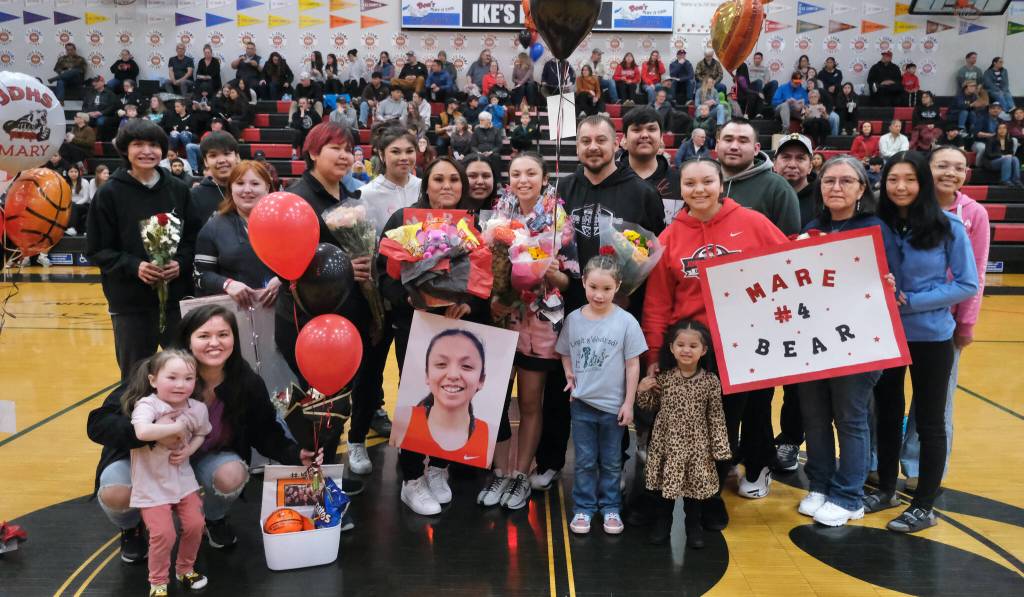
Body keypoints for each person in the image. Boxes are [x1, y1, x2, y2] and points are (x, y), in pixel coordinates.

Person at [87, 305, 324, 564]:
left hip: (204, 455)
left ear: (234, 338)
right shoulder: (157, 372)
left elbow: (264, 431)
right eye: (204, 336)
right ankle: (131, 527)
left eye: (223, 334)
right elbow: (98, 423)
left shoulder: (245, 382)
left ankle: (214, 517)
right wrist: (152, 434)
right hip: (145, 459)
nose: (215, 343)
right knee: (115, 492)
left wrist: (294, 453)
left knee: (232, 474)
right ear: (188, 339)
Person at [642, 158, 788, 524]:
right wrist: (654, 353)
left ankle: (709, 497)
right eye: (690, 184)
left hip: (741, 349)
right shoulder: (670, 237)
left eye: (707, 181)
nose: (699, 190)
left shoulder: (753, 223)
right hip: (688, 353)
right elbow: (658, 302)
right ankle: (679, 502)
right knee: (687, 429)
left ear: (721, 183)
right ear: (681, 189)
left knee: (724, 429)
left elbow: (790, 265)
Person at [867, 151, 978, 534]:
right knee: (885, 412)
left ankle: (924, 504)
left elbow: (966, 284)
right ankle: (884, 490)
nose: (900, 187)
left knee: (930, 421)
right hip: (884, 335)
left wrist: (911, 302)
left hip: (931, 336)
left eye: (910, 180)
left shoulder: (948, 226)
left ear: (923, 184)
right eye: (893, 179)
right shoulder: (874, 225)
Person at [273, 123, 378, 512]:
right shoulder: (298, 200)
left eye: (350, 149)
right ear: (313, 152)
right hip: (307, 325)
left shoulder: (351, 195)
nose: (345, 155)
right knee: (313, 410)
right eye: (335, 147)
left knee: (336, 407)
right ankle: (314, 496)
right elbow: (294, 269)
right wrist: (349, 267)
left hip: (344, 323)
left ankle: (327, 477)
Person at [378, 159, 483, 514]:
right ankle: (411, 478)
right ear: (427, 184)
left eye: (454, 179)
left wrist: (466, 304)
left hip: (457, 326)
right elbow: (385, 275)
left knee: (453, 395)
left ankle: (439, 468)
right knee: (417, 396)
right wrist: (408, 298)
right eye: (438, 178)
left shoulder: (472, 224)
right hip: (415, 324)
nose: (447, 185)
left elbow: (482, 276)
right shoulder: (404, 220)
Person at [793, 156, 891, 527]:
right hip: (811, 341)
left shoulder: (875, 228)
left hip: (859, 341)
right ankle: (819, 484)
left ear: (862, 189)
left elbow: (889, 281)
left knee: (850, 419)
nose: (836, 187)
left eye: (846, 181)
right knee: (815, 418)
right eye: (829, 180)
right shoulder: (812, 227)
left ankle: (849, 496)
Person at [482, 153, 578, 512]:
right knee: (495, 398)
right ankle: (500, 470)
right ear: (509, 179)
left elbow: (569, 280)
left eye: (531, 173)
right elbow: (485, 267)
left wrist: (547, 270)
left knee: (531, 401)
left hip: (540, 321)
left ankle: (521, 474)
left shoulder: (558, 219)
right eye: (517, 174)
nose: (524, 179)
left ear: (543, 178)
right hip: (504, 318)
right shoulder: (499, 217)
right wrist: (495, 297)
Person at [899, 147, 990, 491]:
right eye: (942, 166)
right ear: (927, 168)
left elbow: (975, 275)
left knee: (934, 403)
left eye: (959, 167)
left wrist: (967, 324)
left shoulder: (973, 215)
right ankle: (878, 462)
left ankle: (921, 469)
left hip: (942, 325)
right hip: (896, 320)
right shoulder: (901, 207)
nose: (950, 173)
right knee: (883, 398)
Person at [86, 120, 197, 381]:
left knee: (186, 373)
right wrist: (134, 266)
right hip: (130, 306)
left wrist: (180, 262)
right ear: (125, 150)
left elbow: (194, 238)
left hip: (175, 302)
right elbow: (96, 250)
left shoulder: (178, 189)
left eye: (154, 145)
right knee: (136, 379)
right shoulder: (109, 193)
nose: (147, 151)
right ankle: (138, 423)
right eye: (138, 145)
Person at [558, 256, 646, 536]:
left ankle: (610, 508)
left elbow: (634, 365)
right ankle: (583, 508)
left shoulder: (627, 322)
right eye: (593, 286)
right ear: (583, 282)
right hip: (582, 404)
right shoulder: (573, 319)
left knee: (611, 461)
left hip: (613, 407)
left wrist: (628, 403)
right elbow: (563, 351)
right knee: (583, 460)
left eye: (607, 289)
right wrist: (569, 374)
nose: (599, 294)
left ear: (617, 287)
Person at [122, 350, 211, 597]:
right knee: (163, 534)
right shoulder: (147, 404)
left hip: (183, 481)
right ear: (153, 380)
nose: (181, 385)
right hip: (151, 485)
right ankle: (158, 582)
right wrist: (176, 427)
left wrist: (188, 451)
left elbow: (202, 432)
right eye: (172, 377)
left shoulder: (198, 408)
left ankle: (185, 569)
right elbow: (141, 432)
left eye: (188, 378)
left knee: (195, 524)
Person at [636, 319, 729, 547]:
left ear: (704, 350)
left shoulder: (710, 382)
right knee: (664, 489)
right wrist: (642, 390)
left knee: (693, 490)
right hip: (666, 443)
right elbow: (649, 406)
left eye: (693, 346)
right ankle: (662, 524)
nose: (686, 350)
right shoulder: (664, 378)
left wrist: (720, 448)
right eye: (681, 344)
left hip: (697, 446)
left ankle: (693, 528)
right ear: (671, 347)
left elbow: (715, 416)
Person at [194, 160, 282, 308]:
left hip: (283, 312)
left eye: (255, 184)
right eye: (240, 184)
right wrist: (227, 284)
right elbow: (200, 275)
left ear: (267, 188)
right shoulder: (213, 227)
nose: (247, 190)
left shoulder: (284, 222)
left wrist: (283, 280)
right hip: (235, 314)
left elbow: (304, 264)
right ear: (231, 189)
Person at [718, 118, 801, 234]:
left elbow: (789, 243)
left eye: (743, 141)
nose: (734, 146)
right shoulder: (700, 182)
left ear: (756, 149)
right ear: (717, 145)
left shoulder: (778, 188)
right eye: (728, 140)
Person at [617, 106, 682, 225]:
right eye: (637, 130)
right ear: (624, 138)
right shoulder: (609, 179)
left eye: (651, 129)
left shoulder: (680, 182)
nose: (645, 135)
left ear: (661, 137)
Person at [982, 122, 1023, 186]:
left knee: (1015, 158)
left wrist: (1007, 156)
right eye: (1000, 128)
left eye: (1004, 128)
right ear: (997, 130)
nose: (1002, 130)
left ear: (1007, 130)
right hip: (991, 162)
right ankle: (1005, 180)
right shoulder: (991, 140)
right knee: (1007, 158)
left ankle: (1016, 180)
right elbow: (989, 154)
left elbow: (1011, 153)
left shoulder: (1010, 140)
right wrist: (1002, 156)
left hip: (1006, 162)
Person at [84, 76, 121, 141]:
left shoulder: (110, 94)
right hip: (90, 113)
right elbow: (84, 105)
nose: (94, 83)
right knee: (81, 118)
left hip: (104, 115)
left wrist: (101, 113)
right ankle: (86, 138)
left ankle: (99, 140)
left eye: (96, 82)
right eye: (93, 82)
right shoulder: (90, 93)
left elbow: (113, 106)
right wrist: (88, 112)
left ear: (103, 82)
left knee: (100, 121)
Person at [65, 163, 92, 236]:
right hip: (71, 205)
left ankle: (72, 228)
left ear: (79, 173)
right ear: (67, 173)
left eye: (75, 172)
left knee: (74, 206)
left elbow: (86, 197)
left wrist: (75, 204)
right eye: (71, 172)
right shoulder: (65, 183)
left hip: (84, 205)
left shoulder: (84, 182)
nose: (73, 174)